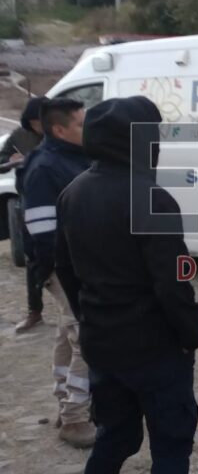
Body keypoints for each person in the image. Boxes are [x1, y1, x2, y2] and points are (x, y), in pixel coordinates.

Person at [54, 96, 198, 473]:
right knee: (171, 445)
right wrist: (192, 331)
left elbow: (65, 269)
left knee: (115, 436)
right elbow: (172, 281)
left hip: (101, 342)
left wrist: (90, 317)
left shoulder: (73, 192)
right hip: (154, 348)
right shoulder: (152, 198)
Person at [15, 97, 95, 448]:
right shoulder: (45, 167)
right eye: (80, 124)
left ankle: (66, 404)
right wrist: (57, 273)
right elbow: (42, 231)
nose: (87, 128)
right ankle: (75, 419)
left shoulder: (75, 157)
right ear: (60, 130)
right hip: (66, 268)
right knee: (86, 338)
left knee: (68, 334)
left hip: (78, 264)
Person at [9, 96, 48, 333]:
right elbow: (2, 160)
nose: (38, 126)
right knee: (33, 258)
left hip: (58, 200)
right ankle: (35, 311)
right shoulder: (19, 136)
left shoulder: (59, 134)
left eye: (40, 121)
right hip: (29, 201)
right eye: (34, 122)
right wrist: (12, 160)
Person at [1, 95, 45, 171]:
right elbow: (2, 157)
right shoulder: (19, 135)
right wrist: (10, 160)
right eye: (34, 124)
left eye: (41, 123)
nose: (38, 128)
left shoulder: (62, 134)